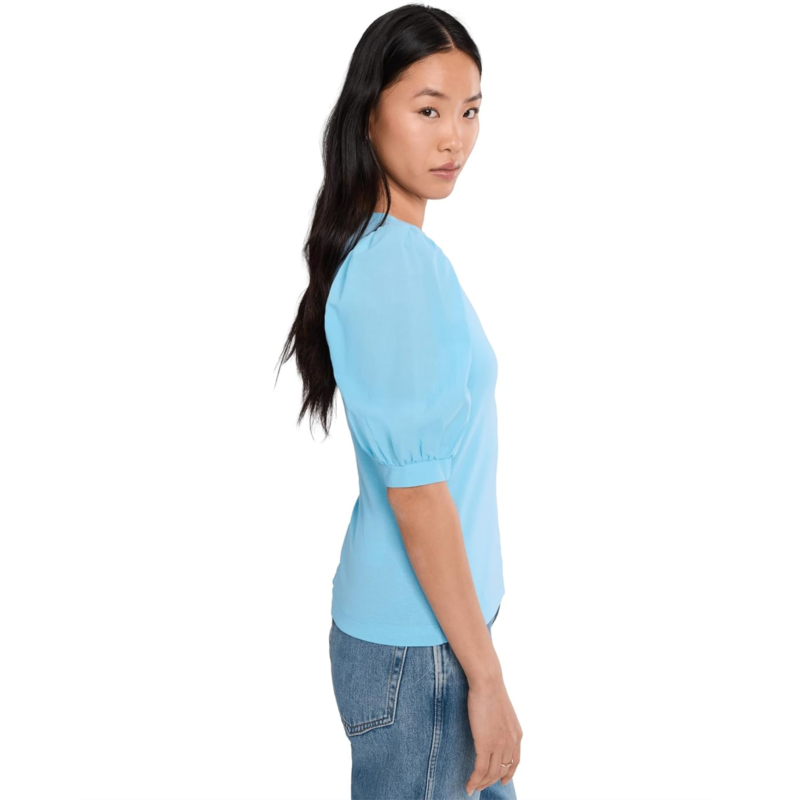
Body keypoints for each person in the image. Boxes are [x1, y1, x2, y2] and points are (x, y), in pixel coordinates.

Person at [277, 5, 522, 797]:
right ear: (368, 116)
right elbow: (416, 492)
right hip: (424, 656)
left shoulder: (388, 252)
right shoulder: (396, 266)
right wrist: (486, 679)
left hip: (436, 637)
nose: (455, 139)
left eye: (470, 112)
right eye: (428, 111)